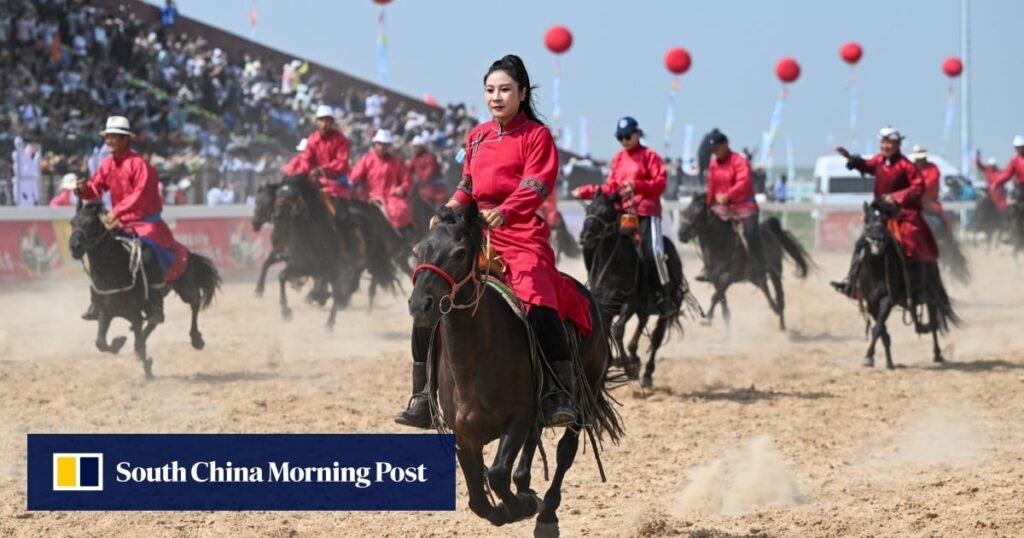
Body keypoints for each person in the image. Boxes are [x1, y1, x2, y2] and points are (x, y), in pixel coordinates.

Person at [395, 54, 591, 429]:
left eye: (504, 90)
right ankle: (422, 397)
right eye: (489, 90)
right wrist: (449, 208)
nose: (496, 97)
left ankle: (558, 393)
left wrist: (507, 210)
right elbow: (467, 185)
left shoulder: (537, 136)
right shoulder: (477, 136)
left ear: (521, 93)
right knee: (429, 290)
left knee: (537, 293)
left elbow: (537, 183)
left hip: (519, 232)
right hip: (473, 230)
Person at [76, 116, 190, 323]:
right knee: (98, 251)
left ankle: (155, 304)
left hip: (147, 224)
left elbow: (140, 195)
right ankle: (97, 300)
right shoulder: (107, 164)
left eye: (113, 137)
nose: (109, 141)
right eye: (107, 136)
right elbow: (95, 188)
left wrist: (116, 211)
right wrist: (84, 190)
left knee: (147, 255)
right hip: (119, 222)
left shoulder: (139, 165)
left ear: (125, 139)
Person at [572, 116, 675, 318]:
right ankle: (597, 285)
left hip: (647, 213)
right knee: (593, 242)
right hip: (624, 214)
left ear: (637, 134)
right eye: (620, 137)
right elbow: (611, 188)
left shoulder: (650, 156)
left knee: (654, 251)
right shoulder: (618, 158)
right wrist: (585, 191)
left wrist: (637, 186)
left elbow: (660, 183)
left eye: (628, 136)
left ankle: (664, 296)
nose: (624, 140)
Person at [830, 127, 938, 299]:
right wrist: (850, 158)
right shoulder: (879, 161)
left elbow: (919, 187)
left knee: (909, 244)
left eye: (889, 143)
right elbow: (865, 165)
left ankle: (916, 287)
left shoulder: (907, 166)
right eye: (883, 143)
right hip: (879, 213)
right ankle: (852, 282)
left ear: (898, 144)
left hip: (901, 213)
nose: (885, 146)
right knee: (861, 243)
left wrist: (895, 197)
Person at [705, 131, 768, 284]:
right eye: (712, 150)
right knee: (707, 231)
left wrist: (728, 195)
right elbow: (712, 185)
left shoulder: (740, 161)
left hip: (744, 205)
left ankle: (760, 268)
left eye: (716, 149)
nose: (714, 152)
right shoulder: (713, 164)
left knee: (750, 234)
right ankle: (709, 268)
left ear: (725, 145)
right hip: (723, 207)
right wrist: (708, 204)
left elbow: (744, 182)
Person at [283, 105, 353, 208]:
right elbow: (306, 159)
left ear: (332, 122)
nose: (324, 124)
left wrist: (321, 170)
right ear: (316, 122)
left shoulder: (341, 140)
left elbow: (341, 163)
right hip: (316, 180)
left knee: (338, 209)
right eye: (321, 120)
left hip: (336, 181)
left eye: (327, 121)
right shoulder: (312, 139)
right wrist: (301, 174)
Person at [350, 129, 414, 237]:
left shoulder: (396, 162)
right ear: (375, 144)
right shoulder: (366, 159)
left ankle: (403, 235)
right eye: (379, 144)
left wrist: (402, 188)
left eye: (385, 145)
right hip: (370, 198)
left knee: (400, 210)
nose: (382, 147)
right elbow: (355, 176)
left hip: (391, 198)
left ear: (388, 146)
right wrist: (352, 185)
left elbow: (407, 179)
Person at [911, 144, 950, 237]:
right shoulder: (910, 168)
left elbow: (929, 183)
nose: (920, 160)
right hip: (913, 203)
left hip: (930, 203)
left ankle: (945, 240)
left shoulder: (933, 168)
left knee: (940, 223)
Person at [407, 135, 447, 208]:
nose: (413, 149)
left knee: (438, 210)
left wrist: (418, 180)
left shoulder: (430, 157)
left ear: (421, 147)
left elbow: (429, 174)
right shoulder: (415, 159)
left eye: (415, 147)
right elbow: (408, 171)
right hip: (425, 190)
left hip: (437, 191)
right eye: (413, 147)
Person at [992, 135, 1024, 203]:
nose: (1018, 149)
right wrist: (996, 183)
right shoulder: (1014, 160)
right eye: (1016, 147)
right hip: (1021, 187)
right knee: (1011, 201)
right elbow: (1007, 174)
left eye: (1020, 147)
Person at [12, 137, 41, 207]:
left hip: (30, 179)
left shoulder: (30, 159)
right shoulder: (16, 156)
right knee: (21, 200)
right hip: (22, 181)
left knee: (30, 199)